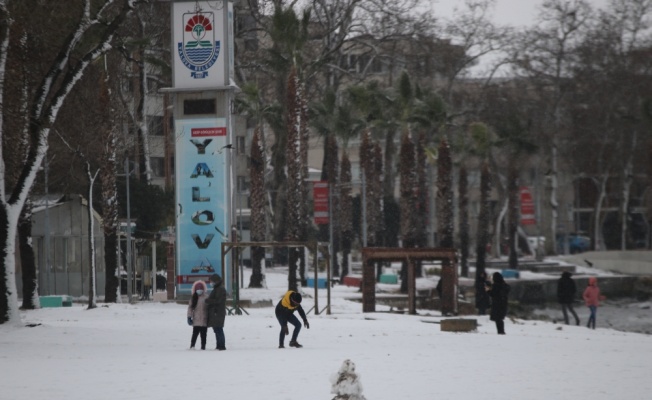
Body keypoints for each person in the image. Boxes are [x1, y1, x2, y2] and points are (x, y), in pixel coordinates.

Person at [205, 274, 227, 350]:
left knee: (218, 329)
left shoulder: (220, 289)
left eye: (211, 281)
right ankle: (219, 345)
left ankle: (221, 345)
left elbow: (218, 300)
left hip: (217, 312)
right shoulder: (217, 289)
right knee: (217, 329)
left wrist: (208, 300)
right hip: (216, 312)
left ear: (215, 281)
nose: (210, 283)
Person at [187, 280, 209, 350]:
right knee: (195, 334)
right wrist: (189, 317)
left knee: (204, 335)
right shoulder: (193, 298)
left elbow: (209, 307)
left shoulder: (206, 297)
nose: (199, 290)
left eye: (201, 289)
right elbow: (190, 308)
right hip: (196, 319)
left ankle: (203, 346)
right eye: (198, 289)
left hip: (204, 319)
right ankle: (192, 345)